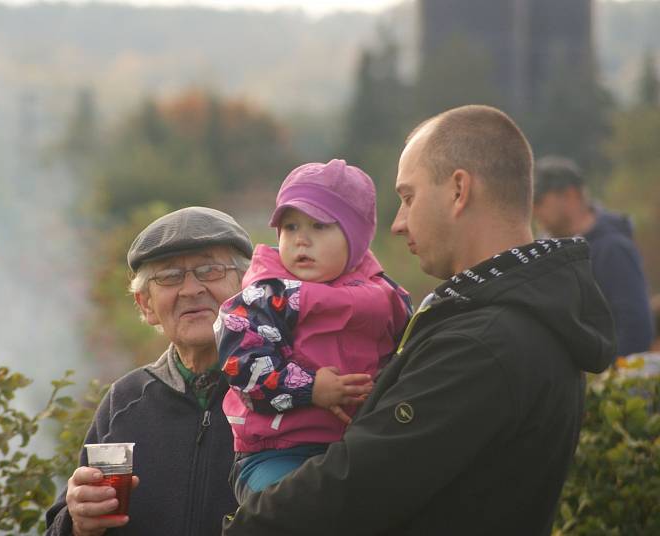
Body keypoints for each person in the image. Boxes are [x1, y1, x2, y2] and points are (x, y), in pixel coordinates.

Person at [222, 105, 616, 536]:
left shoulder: (484, 344)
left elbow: (360, 486)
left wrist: (249, 523)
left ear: (459, 190)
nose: (397, 223)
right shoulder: (517, 314)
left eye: (408, 197)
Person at [45, 207, 252, 536]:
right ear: (146, 305)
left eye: (210, 270)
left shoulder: (282, 389)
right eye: (169, 276)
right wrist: (77, 522)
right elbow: (62, 526)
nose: (190, 289)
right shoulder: (125, 401)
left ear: (247, 286)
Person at [216, 159, 411, 503]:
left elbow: (409, 357)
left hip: (363, 443)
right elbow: (243, 366)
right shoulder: (269, 294)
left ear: (356, 238)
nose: (301, 240)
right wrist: (312, 388)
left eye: (319, 226)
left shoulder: (387, 296)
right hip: (279, 451)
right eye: (290, 227)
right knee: (288, 506)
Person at [533, 156, 654, 357]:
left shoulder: (612, 249)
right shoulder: (545, 250)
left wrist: (601, 379)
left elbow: (635, 329)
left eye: (538, 200)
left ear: (570, 195)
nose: (533, 210)